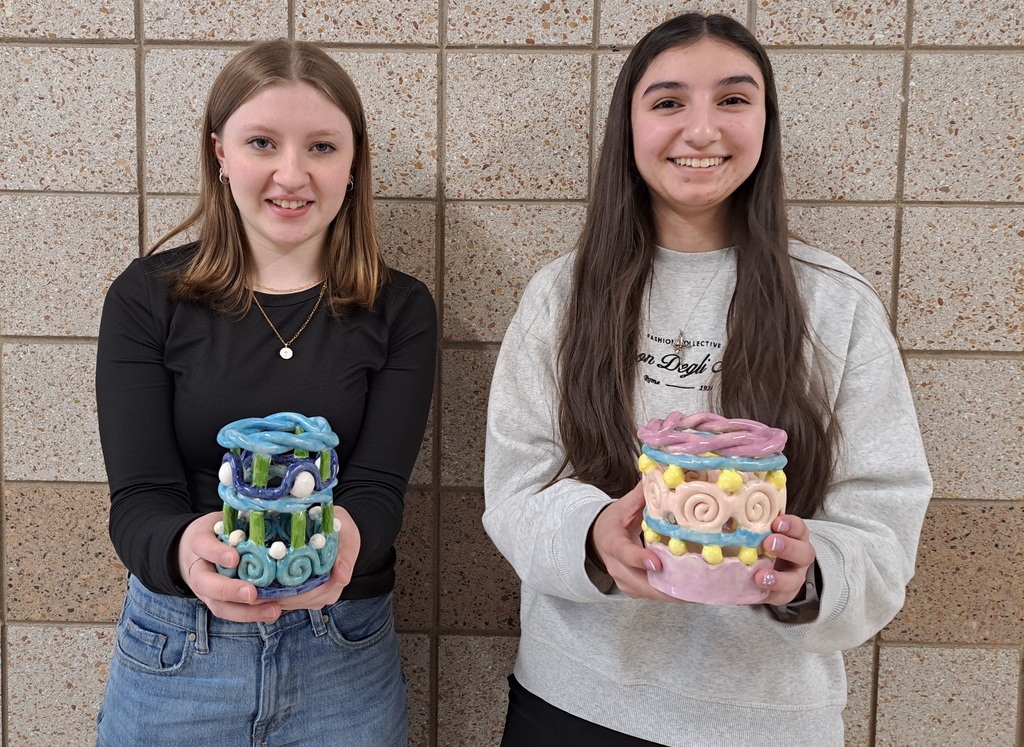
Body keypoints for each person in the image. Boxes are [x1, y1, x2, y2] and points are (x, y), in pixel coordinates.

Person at [483, 12, 931, 745]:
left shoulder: (835, 301)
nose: (701, 129)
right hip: (576, 700)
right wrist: (593, 535)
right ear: (628, 127)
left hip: (770, 715)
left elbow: (886, 509)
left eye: (732, 99)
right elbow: (515, 487)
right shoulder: (563, 294)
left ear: (766, 121)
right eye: (667, 102)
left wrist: (814, 569)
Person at [94, 40, 435, 746]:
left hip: (343, 650)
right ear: (220, 152)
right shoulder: (146, 298)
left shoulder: (399, 308)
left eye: (320, 146)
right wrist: (190, 550)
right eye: (261, 142)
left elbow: (375, 489)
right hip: (178, 649)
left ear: (352, 162)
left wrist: (341, 539)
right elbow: (139, 501)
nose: (292, 173)